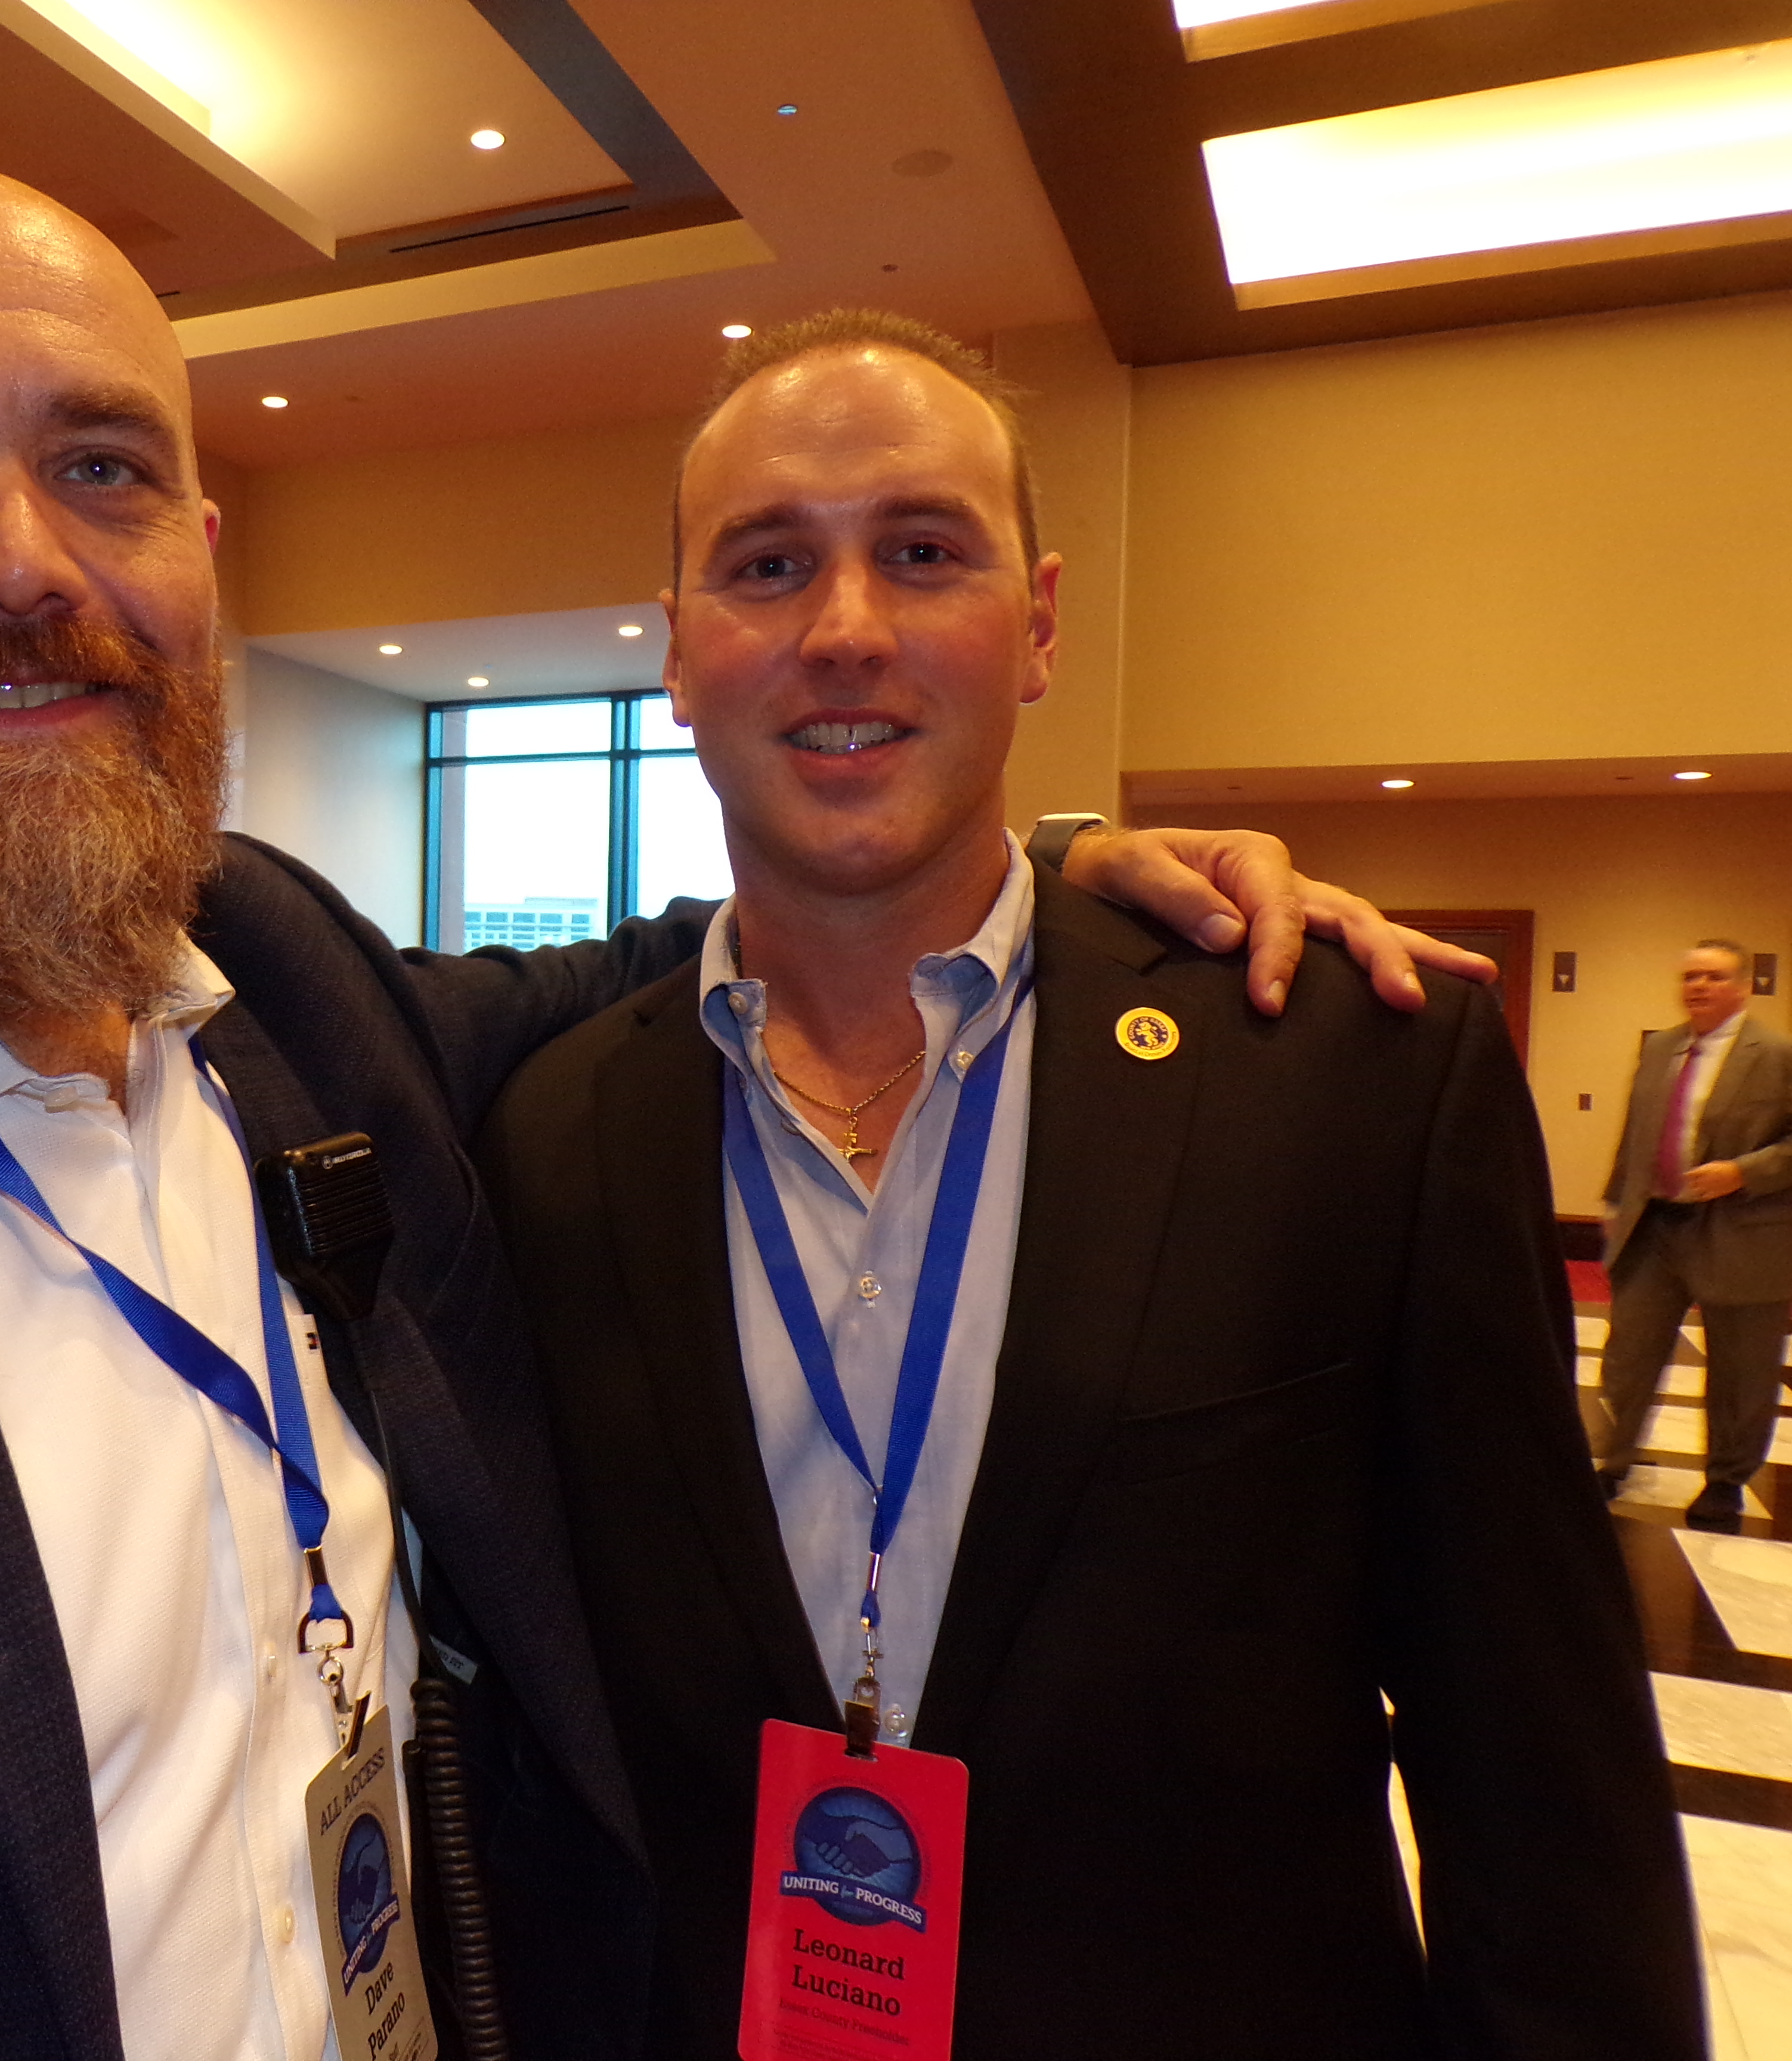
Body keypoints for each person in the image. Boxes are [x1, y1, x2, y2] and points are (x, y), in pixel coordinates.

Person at [0, 175, 1476, 2059]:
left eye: (101, 467)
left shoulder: (293, 991)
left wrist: (1056, 870)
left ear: (202, 558)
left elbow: (706, 960)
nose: (16, 566)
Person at [479, 312, 1698, 2060]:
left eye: (923, 552)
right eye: (767, 564)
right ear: (678, 649)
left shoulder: (1343, 1072)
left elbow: (1541, 1771)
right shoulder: (551, 1135)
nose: (845, 627)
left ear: (1039, 622)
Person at [1592, 939, 1792, 1534]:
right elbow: (1637, 1132)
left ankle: (1725, 1482)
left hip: (1742, 1232)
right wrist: (1617, 1200)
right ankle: (1614, 1461)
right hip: (1655, 1227)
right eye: (1691, 976)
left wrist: (1745, 1173)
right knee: (1628, 1356)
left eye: (1714, 976)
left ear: (1744, 987)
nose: (1699, 986)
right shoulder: (1660, 1047)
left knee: (1743, 1370)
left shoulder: (1777, 1055)